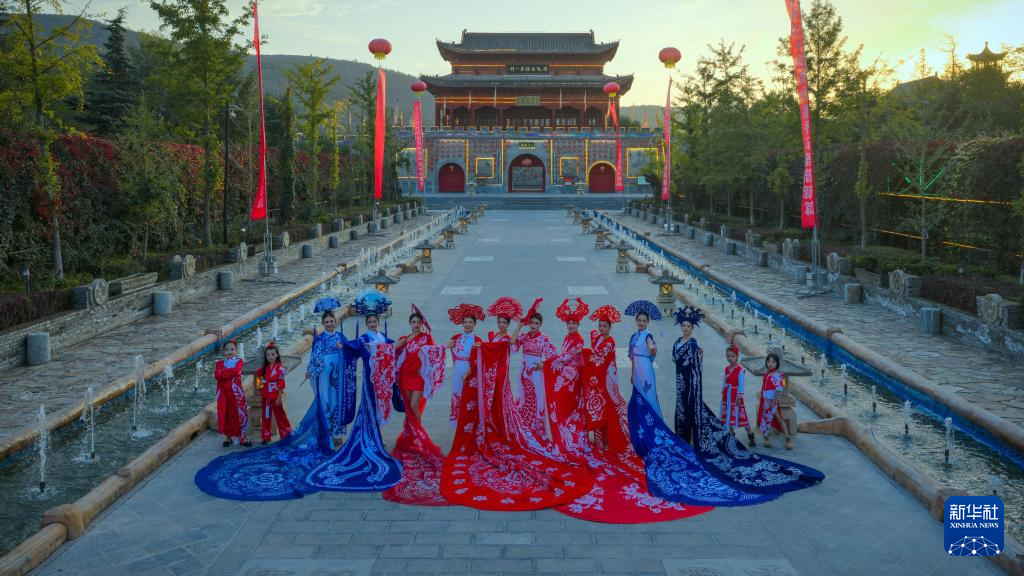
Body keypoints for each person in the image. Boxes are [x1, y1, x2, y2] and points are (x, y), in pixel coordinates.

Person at [544, 298, 589, 454]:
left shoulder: (579, 339)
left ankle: (573, 436)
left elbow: (568, 357)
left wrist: (550, 362)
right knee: (563, 404)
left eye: (573, 323)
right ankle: (564, 434)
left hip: (572, 377)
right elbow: (563, 355)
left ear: (578, 324)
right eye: (569, 323)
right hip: (565, 374)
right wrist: (553, 360)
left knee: (569, 405)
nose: (571, 325)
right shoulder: (567, 337)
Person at [509, 298, 557, 439]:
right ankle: (524, 429)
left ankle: (538, 431)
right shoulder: (524, 336)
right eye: (532, 322)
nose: (534, 325)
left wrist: (542, 365)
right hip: (524, 373)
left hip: (536, 374)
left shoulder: (544, 339)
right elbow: (512, 343)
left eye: (536, 323)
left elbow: (554, 356)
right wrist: (519, 325)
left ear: (540, 324)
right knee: (523, 397)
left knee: (537, 398)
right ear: (528, 323)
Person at [303, 305, 348, 445]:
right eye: (326, 322)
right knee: (326, 400)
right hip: (324, 374)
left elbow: (350, 353)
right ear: (323, 324)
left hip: (339, 374)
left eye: (331, 321)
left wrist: (343, 348)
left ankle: (337, 434)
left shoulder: (342, 337)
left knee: (338, 401)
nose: (329, 324)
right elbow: (315, 357)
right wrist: (310, 371)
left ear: (335, 321)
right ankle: (326, 433)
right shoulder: (320, 339)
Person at [394, 305, 435, 422]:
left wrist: (423, 366)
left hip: (418, 375)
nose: (416, 324)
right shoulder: (405, 339)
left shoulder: (427, 338)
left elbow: (433, 354)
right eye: (413, 322)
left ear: (422, 323)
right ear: (410, 323)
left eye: (418, 322)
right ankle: (410, 431)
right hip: (405, 374)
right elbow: (392, 351)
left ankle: (418, 431)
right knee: (408, 407)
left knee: (414, 406)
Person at [446, 303, 485, 426]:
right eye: (465, 322)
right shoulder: (457, 338)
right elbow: (447, 349)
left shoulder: (477, 340)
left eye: (470, 322)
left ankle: (469, 420)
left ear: (475, 324)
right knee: (457, 391)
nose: (468, 324)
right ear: (462, 323)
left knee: (469, 394)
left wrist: (469, 371)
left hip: (470, 368)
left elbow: (479, 358)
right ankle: (457, 419)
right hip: (458, 368)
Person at [624, 300, 662, 418]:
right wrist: (632, 374)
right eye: (639, 320)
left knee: (647, 394)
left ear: (648, 322)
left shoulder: (647, 335)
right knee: (638, 395)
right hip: (636, 368)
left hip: (645, 368)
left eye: (644, 321)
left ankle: (651, 420)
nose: (641, 323)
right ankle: (639, 420)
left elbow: (651, 346)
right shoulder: (635, 336)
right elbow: (633, 357)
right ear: (636, 321)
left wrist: (652, 348)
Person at [255, 341, 292, 445]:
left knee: (280, 415)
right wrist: (260, 388)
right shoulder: (263, 369)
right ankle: (266, 436)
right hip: (266, 396)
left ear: (277, 355)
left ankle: (286, 433)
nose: (270, 357)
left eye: (272, 354)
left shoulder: (281, 369)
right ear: (266, 356)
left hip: (276, 395)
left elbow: (281, 384)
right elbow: (258, 376)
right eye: (268, 355)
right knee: (266, 415)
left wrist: (279, 397)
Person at [215, 339, 250, 447]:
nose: (229, 351)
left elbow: (236, 371)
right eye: (227, 350)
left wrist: (223, 372)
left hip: (236, 394)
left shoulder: (239, 361)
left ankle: (243, 437)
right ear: (223, 352)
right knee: (226, 414)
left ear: (236, 351)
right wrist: (229, 373)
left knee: (239, 414)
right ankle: (228, 437)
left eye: (232, 349)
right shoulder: (219, 363)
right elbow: (217, 376)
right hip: (224, 394)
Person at [721, 346, 756, 448]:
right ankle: (732, 437)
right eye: (728, 356)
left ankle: (751, 436)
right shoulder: (727, 369)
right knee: (728, 416)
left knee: (741, 416)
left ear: (737, 356)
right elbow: (725, 381)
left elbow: (741, 385)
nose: (730, 358)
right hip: (727, 395)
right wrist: (723, 391)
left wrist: (739, 397)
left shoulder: (740, 370)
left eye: (732, 356)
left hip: (736, 396)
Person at [757, 352, 792, 449]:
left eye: (773, 362)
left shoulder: (780, 376)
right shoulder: (766, 374)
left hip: (773, 402)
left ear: (777, 363)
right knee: (765, 420)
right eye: (769, 362)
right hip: (765, 401)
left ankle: (788, 438)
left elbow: (779, 389)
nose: (770, 364)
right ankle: (766, 439)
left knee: (779, 419)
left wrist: (773, 401)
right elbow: (764, 388)